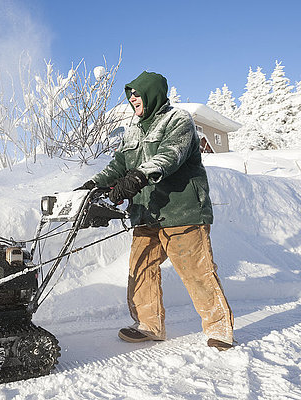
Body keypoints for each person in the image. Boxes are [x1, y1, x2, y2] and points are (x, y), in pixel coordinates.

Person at [75, 71, 234, 351]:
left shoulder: (178, 120)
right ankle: (149, 324)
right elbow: (117, 167)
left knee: (197, 271)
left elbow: (170, 155)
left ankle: (219, 328)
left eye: (137, 93)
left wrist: (137, 177)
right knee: (141, 268)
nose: (132, 98)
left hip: (181, 212)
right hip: (147, 213)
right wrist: (92, 185)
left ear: (153, 92)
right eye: (130, 95)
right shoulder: (133, 130)